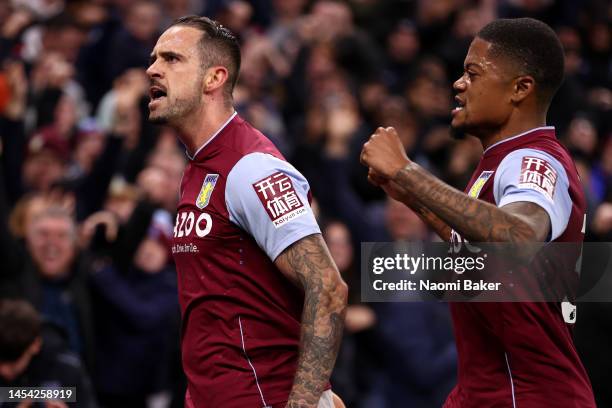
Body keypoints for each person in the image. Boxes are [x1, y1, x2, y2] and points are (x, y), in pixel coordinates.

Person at [361, 18, 596, 407]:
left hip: (528, 395)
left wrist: (409, 171)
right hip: (486, 390)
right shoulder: (500, 161)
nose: (458, 84)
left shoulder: (531, 160)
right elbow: (487, 261)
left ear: (521, 88)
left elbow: (519, 237)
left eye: (473, 73)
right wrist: (412, 198)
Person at [146, 15, 348, 408]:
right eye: (154, 58)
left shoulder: (252, 168)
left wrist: (305, 403)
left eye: (171, 59)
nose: (152, 69)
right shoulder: (199, 165)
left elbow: (327, 288)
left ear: (214, 78)